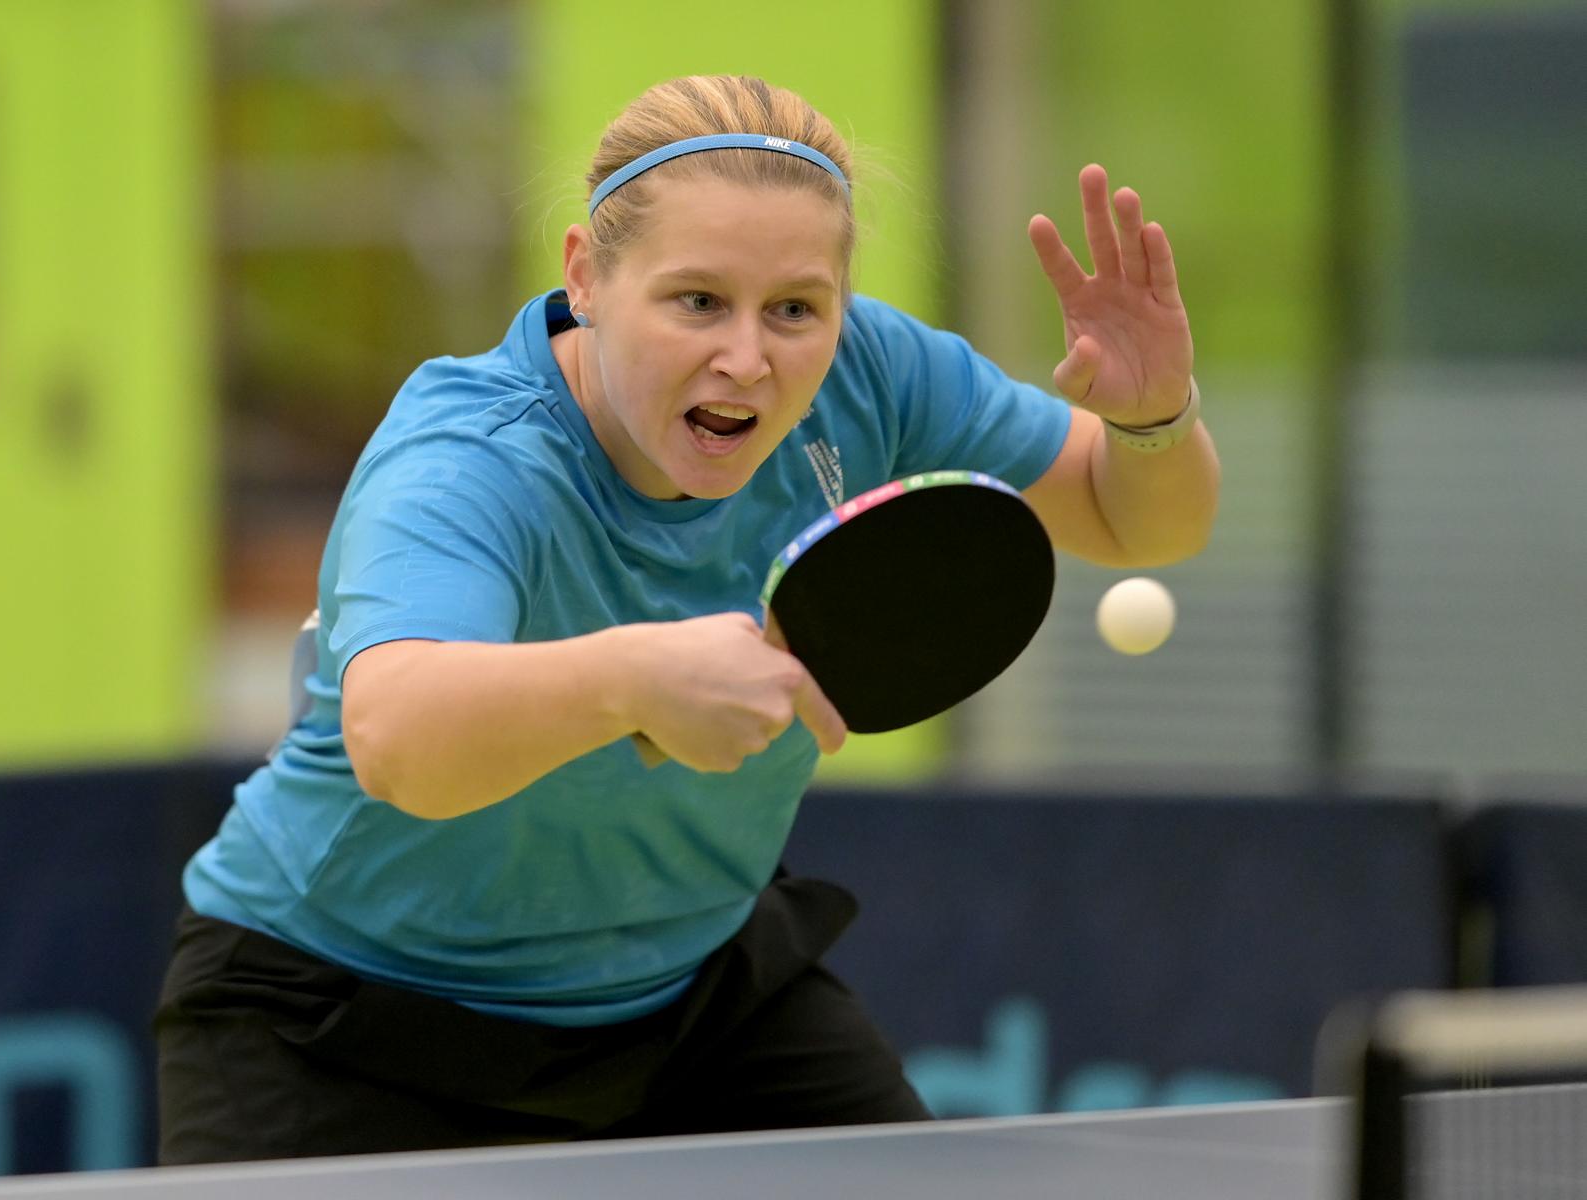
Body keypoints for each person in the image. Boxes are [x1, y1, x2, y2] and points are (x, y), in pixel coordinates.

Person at [153, 74, 1219, 1163]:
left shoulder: (872, 377)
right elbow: (397, 740)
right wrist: (635, 679)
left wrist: (1153, 416)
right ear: (585, 276)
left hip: (694, 1003)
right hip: (344, 1020)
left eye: (795, 309)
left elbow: (1130, 519)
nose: (747, 358)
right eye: (697, 301)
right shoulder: (471, 462)